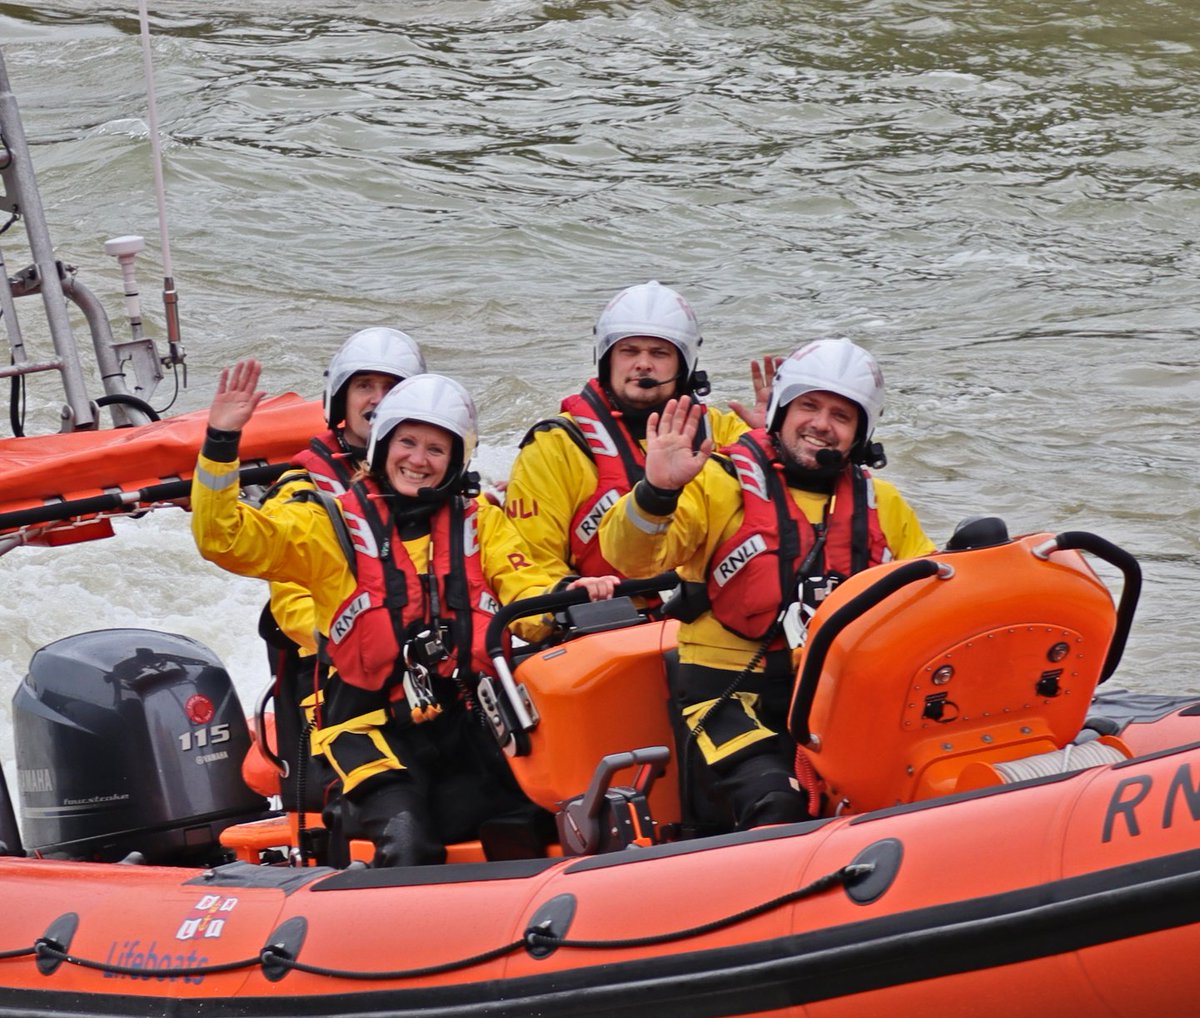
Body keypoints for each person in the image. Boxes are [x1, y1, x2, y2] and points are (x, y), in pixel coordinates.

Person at [192, 360, 617, 867]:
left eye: (436, 449)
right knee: (409, 839)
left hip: (465, 719)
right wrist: (222, 440)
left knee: (547, 813)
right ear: (381, 447)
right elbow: (224, 539)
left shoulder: (482, 522)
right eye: (407, 443)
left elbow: (527, 593)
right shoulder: (328, 525)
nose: (419, 460)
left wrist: (571, 595)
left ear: (456, 459)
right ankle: (358, 851)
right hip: (368, 728)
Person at [598, 336, 935, 833]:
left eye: (842, 416)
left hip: (836, 699)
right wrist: (658, 491)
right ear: (781, 410)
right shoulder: (716, 481)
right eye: (809, 407)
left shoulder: (883, 504)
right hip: (726, 695)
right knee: (776, 803)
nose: (822, 424)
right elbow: (631, 558)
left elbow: (930, 597)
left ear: (861, 433)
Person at [256, 328, 426, 835]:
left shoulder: (434, 476)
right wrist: (373, 640)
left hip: (429, 675)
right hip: (340, 684)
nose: (377, 400)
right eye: (364, 386)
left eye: (392, 387)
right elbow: (294, 608)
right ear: (340, 399)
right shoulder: (301, 493)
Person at [503, 280, 768, 586]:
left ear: (684, 365)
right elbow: (531, 566)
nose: (643, 364)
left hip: (702, 614)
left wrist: (773, 439)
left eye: (659, 353)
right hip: (604, 617)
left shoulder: (721, 432)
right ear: (606, 359)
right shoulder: (555, 447)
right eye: (629, 351)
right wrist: (568, 595)